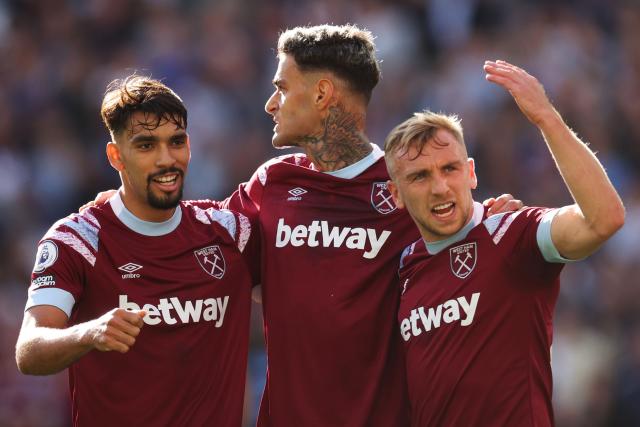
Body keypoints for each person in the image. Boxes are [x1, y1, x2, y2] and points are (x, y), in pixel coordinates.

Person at [85, 25, 520, 426]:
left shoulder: (407, 187)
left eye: (281, 87)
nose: (270, 103)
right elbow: (199, 243)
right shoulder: (273, 183)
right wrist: (131, 209)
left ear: (322, 94)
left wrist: (491, 221)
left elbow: (473, 249)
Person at [384, 60, 625, 426]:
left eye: (449, 169)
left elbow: (604, 218)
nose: (439, 187)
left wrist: (547, 118)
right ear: (396, 195)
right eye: (419, 176)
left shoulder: (512, 233)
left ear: (471, 173)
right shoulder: (399, 272)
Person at [15, 75, 256, 426]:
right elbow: (29, 350)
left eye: (176, 142)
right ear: (116, 156)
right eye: (146, 145)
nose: (165, 159)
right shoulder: (79, 239)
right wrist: (90, 332)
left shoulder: (231, 232)